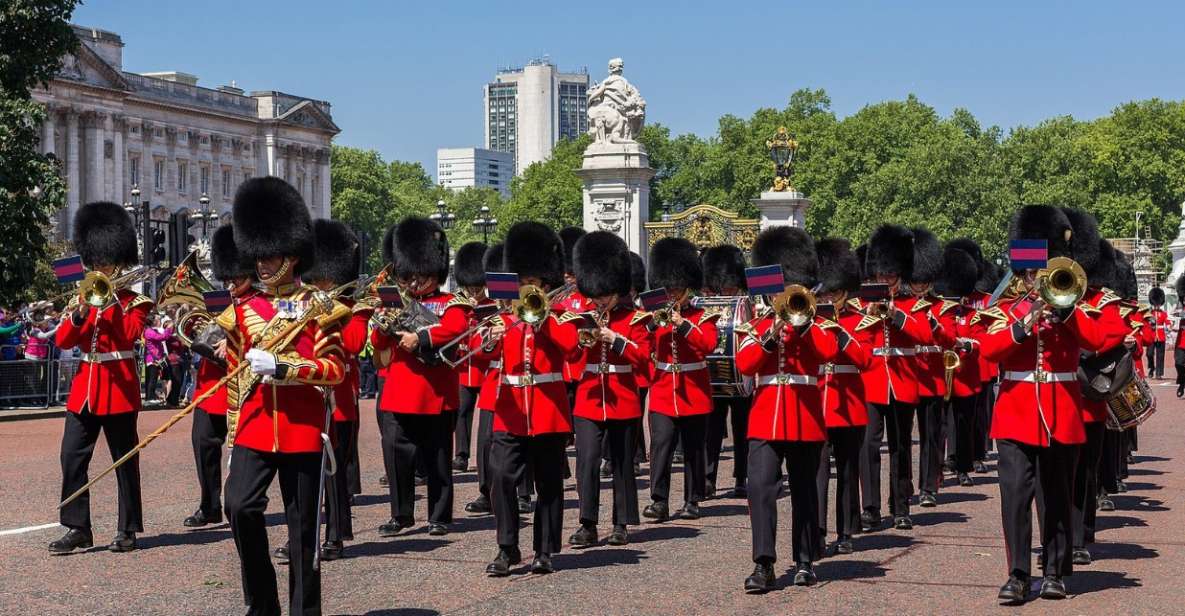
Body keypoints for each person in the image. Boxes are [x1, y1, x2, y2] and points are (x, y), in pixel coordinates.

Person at [221, 177, 348, 616]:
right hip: (255, 429)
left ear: (291, 255)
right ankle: (262, 603)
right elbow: (237, 379)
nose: (261, 263)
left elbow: (335, 370)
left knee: (302, 534)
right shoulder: (240, 310)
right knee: (238, 506)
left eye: (270, 254)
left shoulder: (321, 307)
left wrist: (287, 368)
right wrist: (232, 437)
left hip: (300, 430)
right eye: (258, 254)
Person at [979, 205, 1104, 604]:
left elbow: (1097, 339)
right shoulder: (1006, 309)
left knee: (1056, 496)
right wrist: (1024, 323)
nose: (1038, 279)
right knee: (1015, 496)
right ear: (1023, 271)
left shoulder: (1072, 307)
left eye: (1044, 270)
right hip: (1015, 414)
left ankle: (1054, 571)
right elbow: (987, 350)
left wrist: (1065, 314)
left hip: (1060, 412)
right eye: (1033, 272)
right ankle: (1017, 574)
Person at [738, 227, 839, 591]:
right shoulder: (757, 324)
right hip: (765, 417)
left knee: (805, 492)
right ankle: (763, 563)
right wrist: (770, 335)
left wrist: (804, 324)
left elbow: (829, 352)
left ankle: (805, 560)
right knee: (761, 490)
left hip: (805, 416)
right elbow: (746, 363)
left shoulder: (817, 322)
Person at [49, 201, 152, 555]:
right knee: (71, 456)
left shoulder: (135, 301)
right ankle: (78, 526)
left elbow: (128, 336)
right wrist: (79, 315)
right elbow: (63, 340)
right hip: (85, 389)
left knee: (124, 459)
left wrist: (110, 304)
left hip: (119, 386)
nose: (98, 267)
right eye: (94, 261)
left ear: (118, 258)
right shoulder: (84, 294)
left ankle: (127, 528)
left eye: (103, 260)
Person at [480, 222, 582, 576]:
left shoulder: (562, 315)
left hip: (548, 410)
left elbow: (571, 348)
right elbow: (480, 358)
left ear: (546, 282)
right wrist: (490, 339)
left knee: (549, 483)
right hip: (510, 409)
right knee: (502, 477)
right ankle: (507, 548)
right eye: (523, 280)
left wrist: (544, 320)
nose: (527, 287)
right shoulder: (502, 317)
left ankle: (544, 549)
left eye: (533, 281)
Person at [372, 217, 471, 538]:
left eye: (421, 274)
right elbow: (378, 345)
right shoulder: (396, 303)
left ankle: (439, 515)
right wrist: (382, 327)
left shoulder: (450, 303)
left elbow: (456, 329)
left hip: (435, 391)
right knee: (398, 457)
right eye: (409, 275)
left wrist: (422, 338)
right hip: (401, 391)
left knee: (438, 457)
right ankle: (401, 514)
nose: (414, 282)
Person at [569, 231, 651, 548]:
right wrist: (579, 340)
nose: (600, 298)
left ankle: (621, 522)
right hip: (590, 396)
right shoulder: (582, 318)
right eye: (596, 292)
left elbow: (643, 359)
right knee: (587, 460)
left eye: (605, 293)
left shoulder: (636, 319)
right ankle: (587, 523)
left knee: (620, 463)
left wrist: (615, 339)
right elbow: (572, 357)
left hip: (622, 397)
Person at [858, 225, 934, 532]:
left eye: (890, 276)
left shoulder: (911, 304)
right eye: (881, 276)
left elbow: (924, 335)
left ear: (899, 276)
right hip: (872, 381)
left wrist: (895, 315)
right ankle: (871, 508)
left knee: (900, 447)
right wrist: (871, 314)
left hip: (902, 382)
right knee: (869, 446)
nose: (886, 281)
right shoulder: (862, 303)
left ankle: (901, 506)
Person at [299, 219, 366, 562]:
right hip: (306, 398)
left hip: (339, 401)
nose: (320, 285)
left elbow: (353, 343)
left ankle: (335, 534)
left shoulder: (355, 309)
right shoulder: (302, 304)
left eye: (325, 279)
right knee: (306, 472)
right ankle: (306, 534)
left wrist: (330, 316)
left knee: (334, 473)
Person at [183, 224, 256, 530]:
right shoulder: (216, 298)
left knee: (244, 452)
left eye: (236, 277)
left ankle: (244, 502)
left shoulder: (258, 303)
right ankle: (209, 504)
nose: (230, 283)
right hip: (210, 387)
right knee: (203, 445)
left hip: (243, 386)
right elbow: (195, 333)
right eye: (228, 277)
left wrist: (235, 340)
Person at [643, 237, 718, 522]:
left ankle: (692, 499)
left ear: (688, 287)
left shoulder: (703, 316)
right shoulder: (655, 315)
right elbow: (644, 344)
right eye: (669, 288)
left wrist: (683, 325)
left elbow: (708, 344)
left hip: (694, 388)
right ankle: (659, 500)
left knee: (693, 448)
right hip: (663, 387)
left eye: (677, 288)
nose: (673, 294)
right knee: (660, 444)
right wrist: (651, 324)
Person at [465, 243, 535, 516]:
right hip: (493, 382)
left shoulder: (527, 311)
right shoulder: (490, 313)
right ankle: (487, 490)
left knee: (522, 438)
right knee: (486, 442)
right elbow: (476, 350)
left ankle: (524, 491)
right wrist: (487, 338)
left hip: (520, 381)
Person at [813, 238, 873, 556]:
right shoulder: (809, 319)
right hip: (817, 404)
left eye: (833, 292)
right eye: (824, 292)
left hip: (849, 404)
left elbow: (865, 359)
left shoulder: (858, 320)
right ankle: (818, 530)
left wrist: (840, 333)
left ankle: (846, 530)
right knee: (817, 471)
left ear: (845, 290)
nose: (828, 298)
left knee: (848, 470)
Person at [930, 244, 984, 491]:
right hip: (940, 375)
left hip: (965, 377)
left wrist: (966, 345)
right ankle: (936, 469)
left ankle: (963, 467)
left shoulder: (972, 314)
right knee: (938, 426)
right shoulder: (936, 312)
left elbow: (979, 341)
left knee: (963, 425)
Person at [701, 244, 751, 499]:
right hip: (714, 376)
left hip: (742, 375)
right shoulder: (710, 302)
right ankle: (708, 477)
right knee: (712, 431)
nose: (727, 288)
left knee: (742, 431)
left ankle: (741, 478)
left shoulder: (750, 302)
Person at [906, 228, 950, 508]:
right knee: (902, 438)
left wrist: (932, 322)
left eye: (924, 282)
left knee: (931, 436)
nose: (919, 287)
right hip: (908, 375)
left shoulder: (942, 307)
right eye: (916, 282)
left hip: (932, 376)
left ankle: (928, 485)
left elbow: (950, 338)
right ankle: (906, 485)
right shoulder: (901, 305)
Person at [452, 241, 492, 473]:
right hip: (464, 367)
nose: (473, 293)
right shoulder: (460, 304)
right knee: (462, 412)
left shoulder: (492, 306)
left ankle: (485, 457)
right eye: (470, 289)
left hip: (483, 369)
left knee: (487, 420)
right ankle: (461, 454)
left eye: (477, 288)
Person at [143, 315, 171, 403]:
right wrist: (168, 329)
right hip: (152, 359)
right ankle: (150, 397)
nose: (160, 321)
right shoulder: (149, 331)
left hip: (156, 358)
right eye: (158, 319)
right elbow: (162, 337)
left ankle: (150, 396)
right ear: (153, 321)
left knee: (153, 378)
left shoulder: (153, 330)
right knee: (152, 379)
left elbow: (164, 337)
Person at [1146, 283, 1169, 378]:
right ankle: (1151, 368)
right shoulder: (1149, 313)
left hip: (1161, 337)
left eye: (1158, 303)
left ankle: (1159, 373)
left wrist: (1169, 325)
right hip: (1151, 336)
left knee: (1160, 356)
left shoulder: (1163, 313)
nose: (1157, 305)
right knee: (1149, 354)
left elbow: (1167, 321)